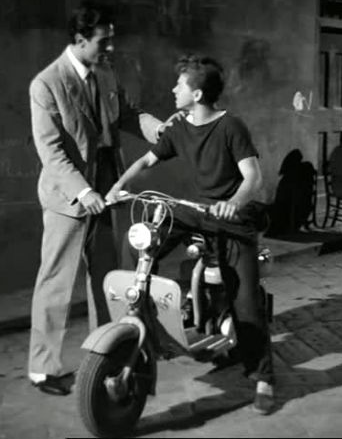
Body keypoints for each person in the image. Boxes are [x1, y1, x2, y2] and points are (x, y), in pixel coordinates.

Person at [105, 55, 276, 415]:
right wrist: (119, 186)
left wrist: (233, 202)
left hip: (230, 218)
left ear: (197, 94)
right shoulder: (180, 126)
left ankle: (262, 377)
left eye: (179, 85)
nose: (172, 89)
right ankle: (140, 315)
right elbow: (147, 161)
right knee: (140, 239)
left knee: (246, 304)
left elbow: (253, 178)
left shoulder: (231, 127)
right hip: (193, 210)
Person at [28, 2, 177, 396]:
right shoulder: (46, 85)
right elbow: (52, 153)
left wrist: (161, 130)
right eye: (103, 41)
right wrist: (83, 191)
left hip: (109, 190)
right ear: (79, 41)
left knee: (106, 278)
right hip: (70, 197)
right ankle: (43, 369)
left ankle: (105, 352)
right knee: (55, 282)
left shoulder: (106, 73)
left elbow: (128, 114)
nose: (110, 48)